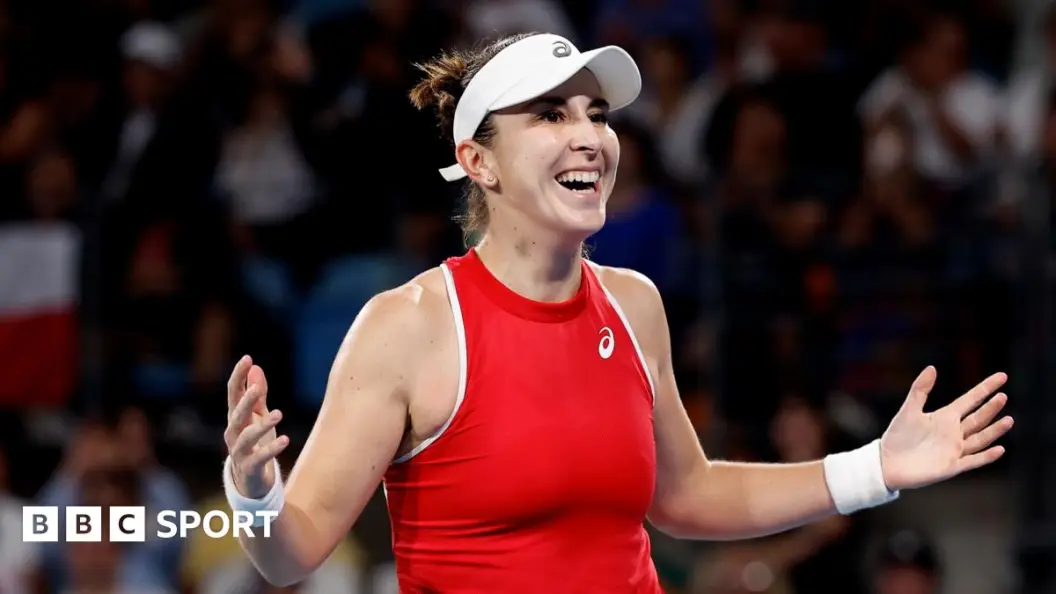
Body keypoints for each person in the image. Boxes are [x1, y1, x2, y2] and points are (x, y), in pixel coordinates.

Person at [220, 32, 1014, 592]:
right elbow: (290, 557)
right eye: (552, 115)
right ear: (478, 161)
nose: (589, 137)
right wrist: (253, 493)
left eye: (596, 114)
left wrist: (875, 468)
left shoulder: (635, 305)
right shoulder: (407, 326)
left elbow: (688, 496)